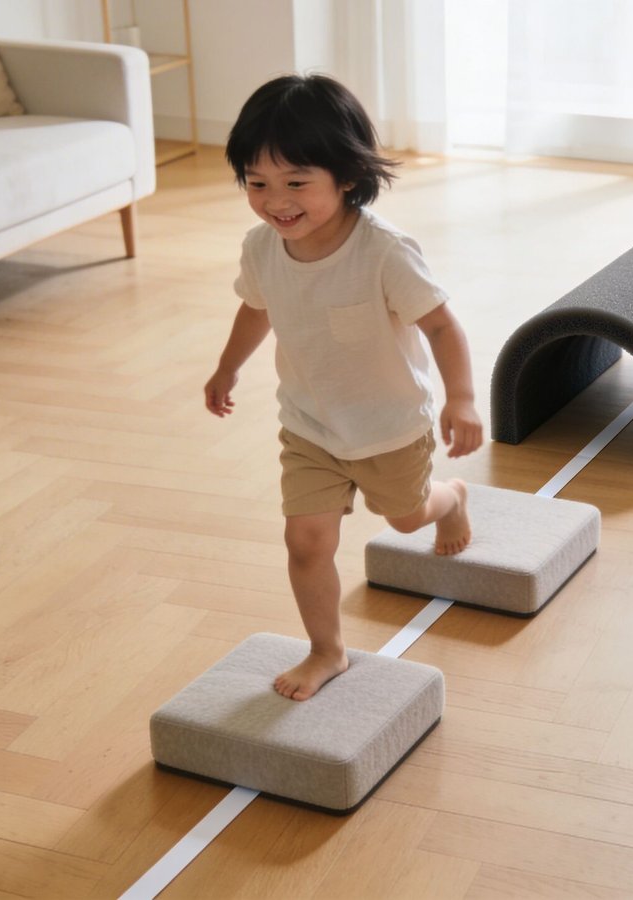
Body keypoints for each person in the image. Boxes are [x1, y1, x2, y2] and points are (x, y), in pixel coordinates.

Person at [204, 74, 482, 702]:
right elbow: (257, 308)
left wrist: (461, 399)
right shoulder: (263, 248)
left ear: (348, 176)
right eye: (257, 183)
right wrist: (228, 367)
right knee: (305, 540)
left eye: (296, 183)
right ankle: (327, 650)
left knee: (406, 518)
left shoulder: (383, 252)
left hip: (390, 427)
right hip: (310, 425)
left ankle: (452, 497)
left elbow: (440, 324)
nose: (277, 201)